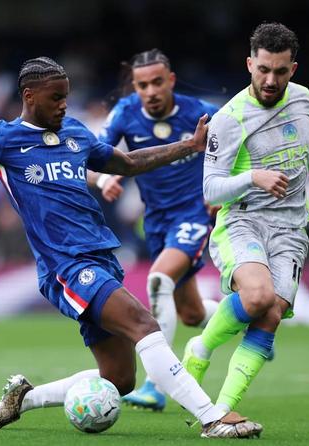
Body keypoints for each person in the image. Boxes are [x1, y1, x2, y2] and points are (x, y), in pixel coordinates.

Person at [0, 56, 262, 439]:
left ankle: (25, 398)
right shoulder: (3, 139)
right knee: (144, 324)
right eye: (56, 97)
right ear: (29, 96)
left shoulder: (74, 132)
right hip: (65, 266)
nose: (64, 105)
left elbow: (127, 163)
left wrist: (188, 146)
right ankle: (212, 418)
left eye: (66, 96)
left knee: (119, 380)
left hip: (101, 258)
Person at [181, 23, 309, 425]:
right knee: (256, 298)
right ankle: (200, 349)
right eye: (264, 69)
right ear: (250, 64)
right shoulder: (228, 119)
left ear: (293, 69)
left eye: (281, 71)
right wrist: (253, 177)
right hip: (244, 220)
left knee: (271, 314)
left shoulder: (302, 100)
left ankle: (220, 410)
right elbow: (211, 189)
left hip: (291, 228)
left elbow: (299, 157)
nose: (271, 80)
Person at [90, 49, 220, 411]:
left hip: (194, 214)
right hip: (156, 221)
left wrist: (224, 189)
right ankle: (249, 317)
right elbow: (90, 155)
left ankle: (155, 385)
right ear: (135, 86)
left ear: (171, 81)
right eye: (142, 85)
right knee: (191, 313)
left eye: (157, 82)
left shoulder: (201, 113)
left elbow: (241, 147)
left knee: (159, 279)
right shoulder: (125, 113)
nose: (150, 91)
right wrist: (103, 179)